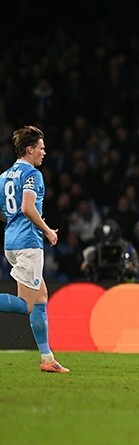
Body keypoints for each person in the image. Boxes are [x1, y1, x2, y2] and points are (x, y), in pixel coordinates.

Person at [0, 126, 68, 373]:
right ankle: (46, 358)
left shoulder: (4, 176)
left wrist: (14, 221)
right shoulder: (32, 175)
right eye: (41, 148)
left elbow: (6, 212)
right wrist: (48, 230)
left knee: (40, 298)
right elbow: (28, 208)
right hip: (28, 243)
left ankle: (47, 358)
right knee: (25, 305)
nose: (44, 152)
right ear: (30, 149)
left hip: (11, 243)